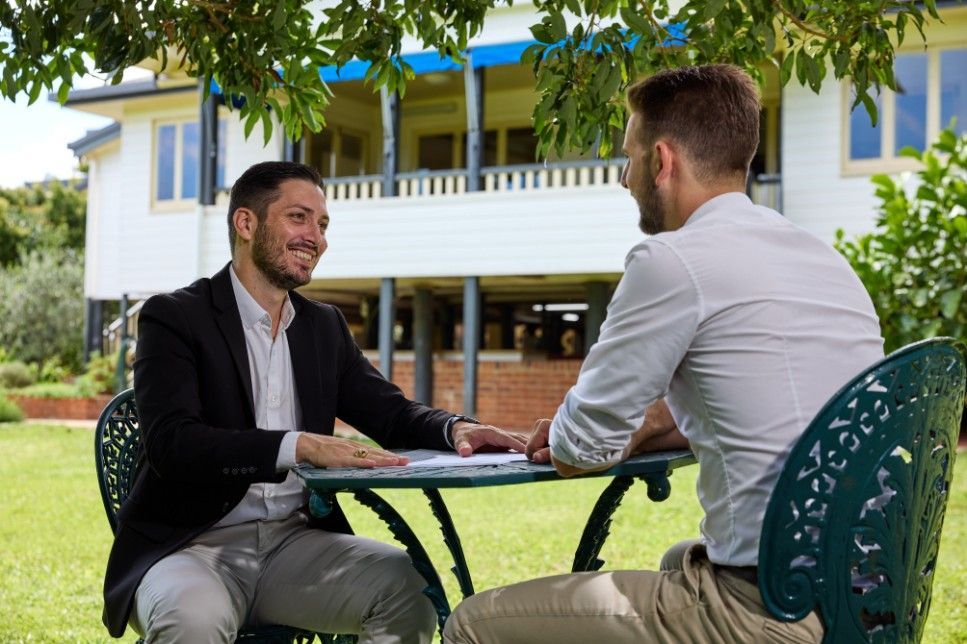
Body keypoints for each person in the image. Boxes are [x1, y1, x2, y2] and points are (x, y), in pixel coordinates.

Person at [443, 64, 884, 643]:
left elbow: (581, 446)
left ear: (662, 160)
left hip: (770, 608)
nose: (624, 178)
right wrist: (651, 425)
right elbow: (762, 409)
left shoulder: (671, 262)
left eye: (628, 157)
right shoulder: (827, 263)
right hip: (870, 587)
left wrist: (594, 432)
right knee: (680, 556)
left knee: (472, 625)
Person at [101, 161, 527, 643]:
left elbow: (388, 412)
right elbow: (172, 443)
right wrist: (297, 446)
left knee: (408, 590)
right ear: (246, 223)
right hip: (191, 547)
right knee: (192, 622)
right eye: (299, 218)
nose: (317, 238)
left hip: (294, 543)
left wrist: (456, 429)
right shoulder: (175, 316)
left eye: (322, 225)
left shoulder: (323, 326)